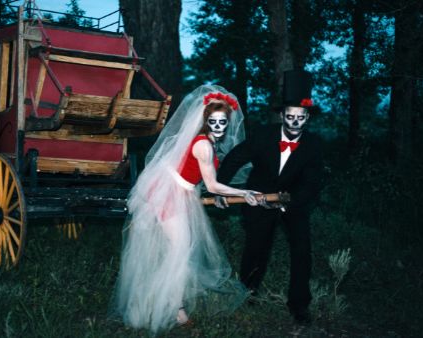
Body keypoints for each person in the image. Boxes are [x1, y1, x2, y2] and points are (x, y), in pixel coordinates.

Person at [110, 85, 260, 333]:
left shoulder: (207, 142)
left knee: (178, 250)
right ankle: (168, 306)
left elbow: (199, 179)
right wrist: (244, 192)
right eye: (214, 122)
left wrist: (226, 192)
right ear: (205, 122)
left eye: (224, 122)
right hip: (169, 194)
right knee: (181, 250)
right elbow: (212, 184)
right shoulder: (204, 145)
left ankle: (166, 304)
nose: (220, 127)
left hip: (181, 191)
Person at [216, 70, 324, 325]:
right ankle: (247, 294)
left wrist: (289, 202)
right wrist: (218, 188)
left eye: (300, 117)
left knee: (302, 251)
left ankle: (299, 305)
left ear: (307, 118)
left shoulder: (314, 144)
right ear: (282, 115)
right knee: (256, 248)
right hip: (259, 198)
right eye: (290, 116)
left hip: (293, 202)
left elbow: (313, 182)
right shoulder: (264, 135)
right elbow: (235, 158)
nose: (295, 122)